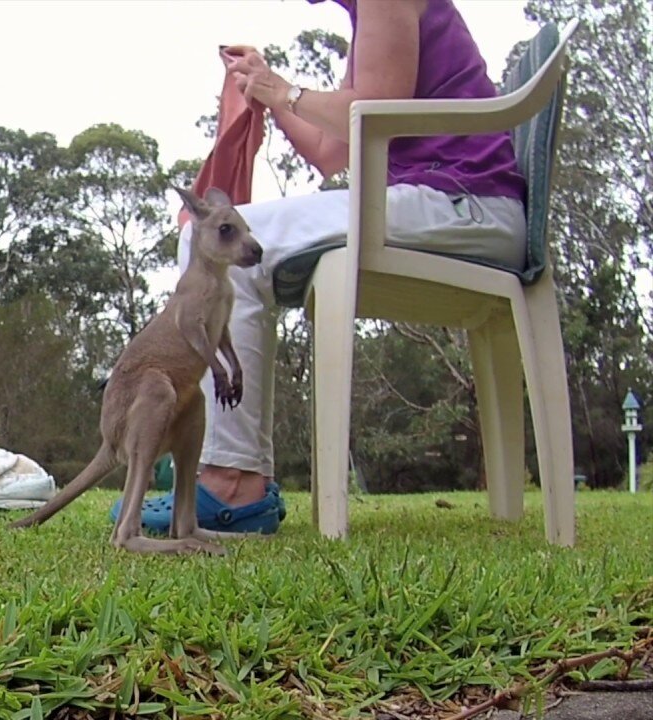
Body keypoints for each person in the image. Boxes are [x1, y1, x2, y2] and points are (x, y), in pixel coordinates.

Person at [110, 0, 528, 534]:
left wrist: (284, 90)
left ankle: (230, 484)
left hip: (461, 202)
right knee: (226, 245)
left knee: (214, 244)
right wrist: (265, 91)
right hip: (454, 201)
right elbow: (332, 152)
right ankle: (229, 477)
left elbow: (373, 110)